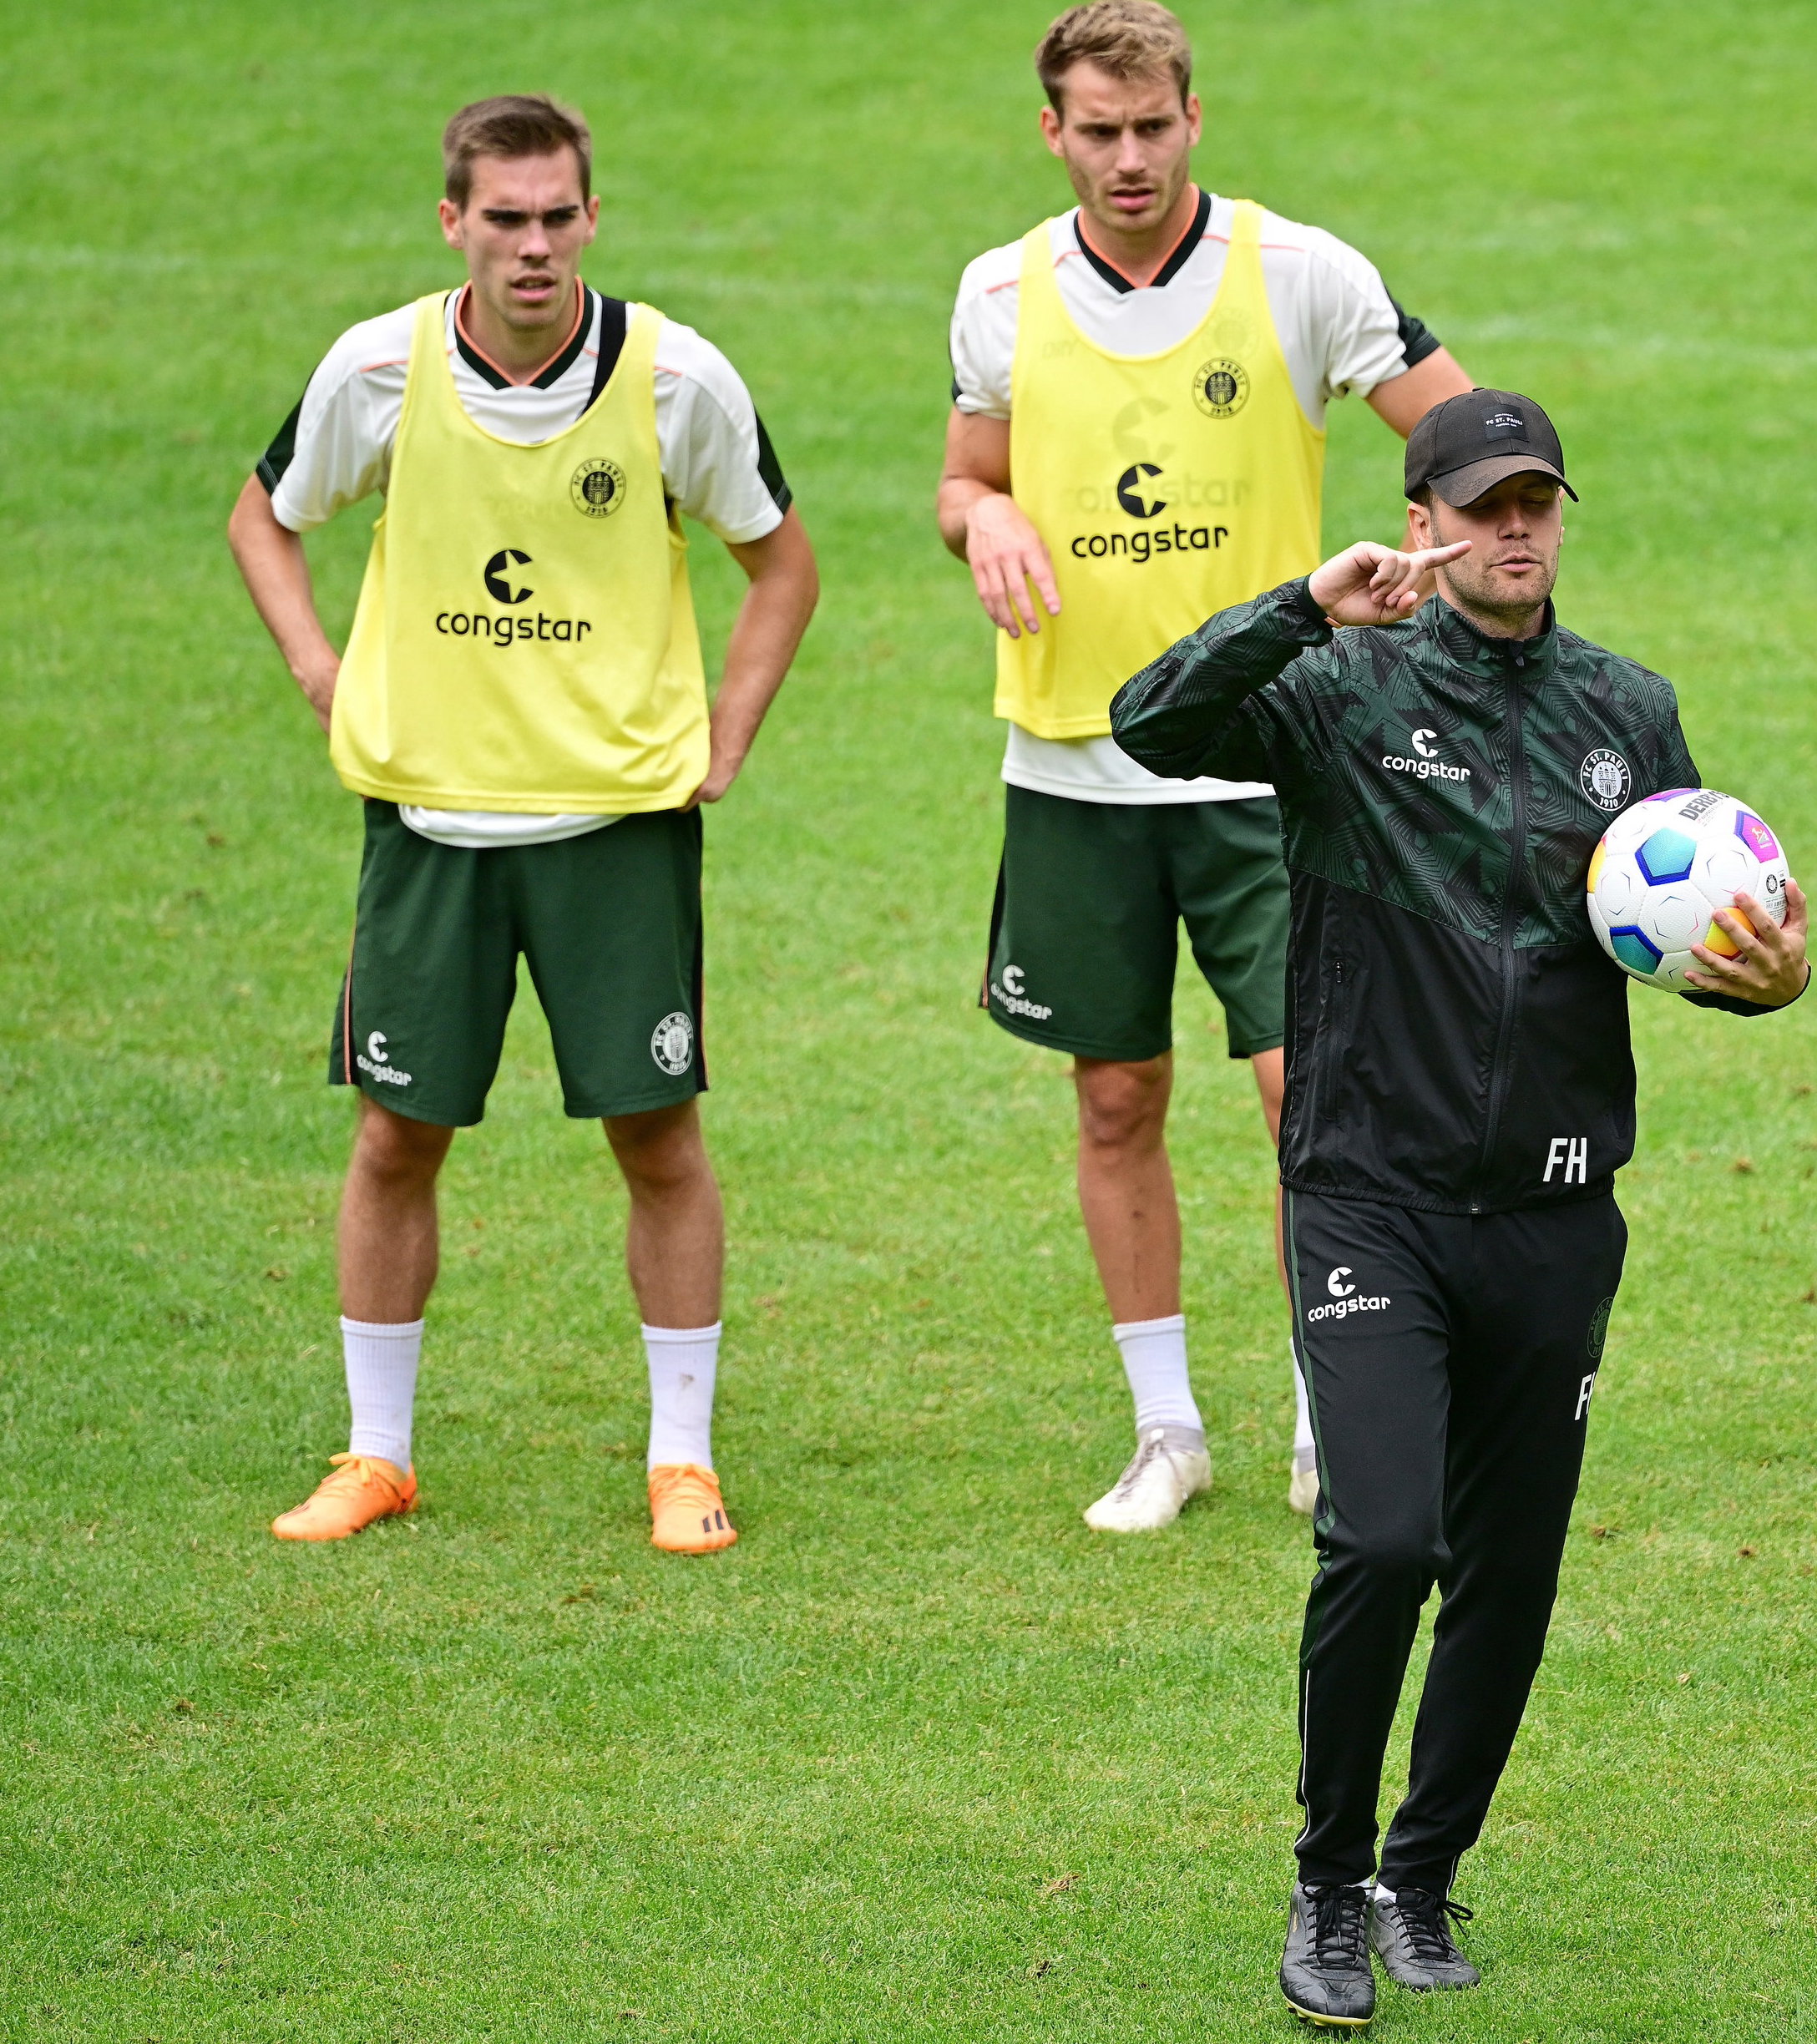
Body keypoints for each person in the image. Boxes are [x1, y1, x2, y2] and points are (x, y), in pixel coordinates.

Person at [1111, 388, 1808, 2023]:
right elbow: (1145, 723)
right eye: (1479, 504)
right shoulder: (1337, 692)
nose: (1511, 531)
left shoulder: (1623, 714)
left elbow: (1691, 927)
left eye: (1535, 504)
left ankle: (1417, 1884)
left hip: (1556, 1214)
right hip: (1369, 1198)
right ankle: (1323, 1881)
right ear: (1417, 518)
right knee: (1386, 1535)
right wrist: (1297, 605)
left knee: (1506, 1567)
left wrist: (1760, 981)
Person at [228, 95, 817, 1555]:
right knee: (393, 1140)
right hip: (428, 825)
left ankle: (682, 1461)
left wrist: (725, 735)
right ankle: (378, 1455)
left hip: (615, 826)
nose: (536, 246)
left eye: (560, 216)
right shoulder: (378, 368)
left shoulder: (678, 380)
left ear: (592, 220)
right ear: (455, 224)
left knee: (657, 1137)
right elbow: (265, 517)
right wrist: (321, 665)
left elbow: (783, 566)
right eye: (506, 219)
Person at [936, 0, 1472, 1531]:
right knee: (1114, 1096)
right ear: (1052, 132)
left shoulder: (1300, 275)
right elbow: (964, 477)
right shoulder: (999, 293)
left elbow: (1461, 440)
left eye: (1150, 126)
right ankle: (1166, 1430)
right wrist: (985, 518)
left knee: (1305, 1095)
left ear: (1193, 116)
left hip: (1271, 771)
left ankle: (1327, 1410)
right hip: (1072, 762)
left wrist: (1413, 615)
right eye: (1095, 131)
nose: (1125, 157)